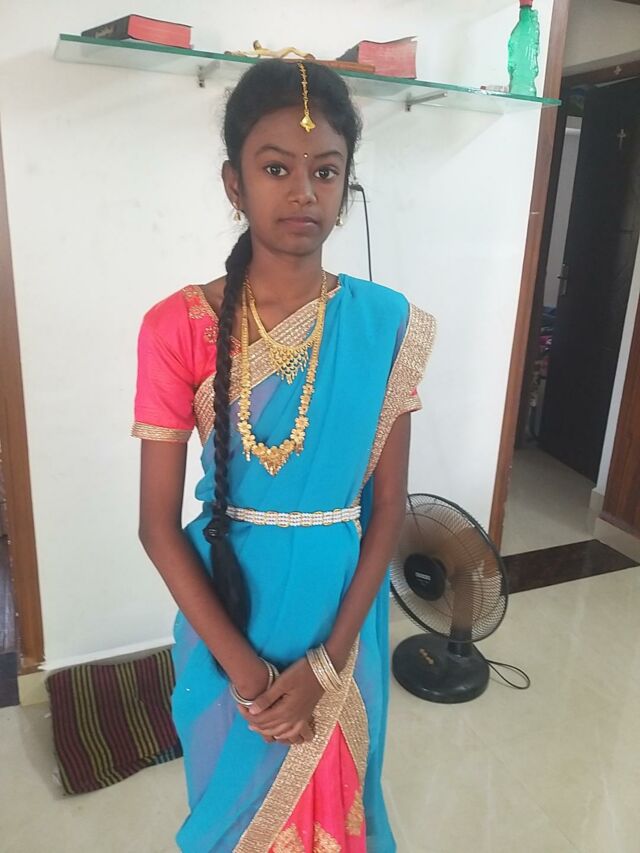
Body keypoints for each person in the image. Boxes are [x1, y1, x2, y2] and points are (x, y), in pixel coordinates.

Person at [133, 58, 436, 853]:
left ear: (345, 187)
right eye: (276, 168)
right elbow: (157, 526)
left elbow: (387, 510)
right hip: (228, 619)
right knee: (233, 819)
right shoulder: (177, 326)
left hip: (345, 615)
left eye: (325, 171)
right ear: (234, 183)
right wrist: (249, 675)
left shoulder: (383, 326)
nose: (303, 191)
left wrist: (328, 666)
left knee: (342, 811)